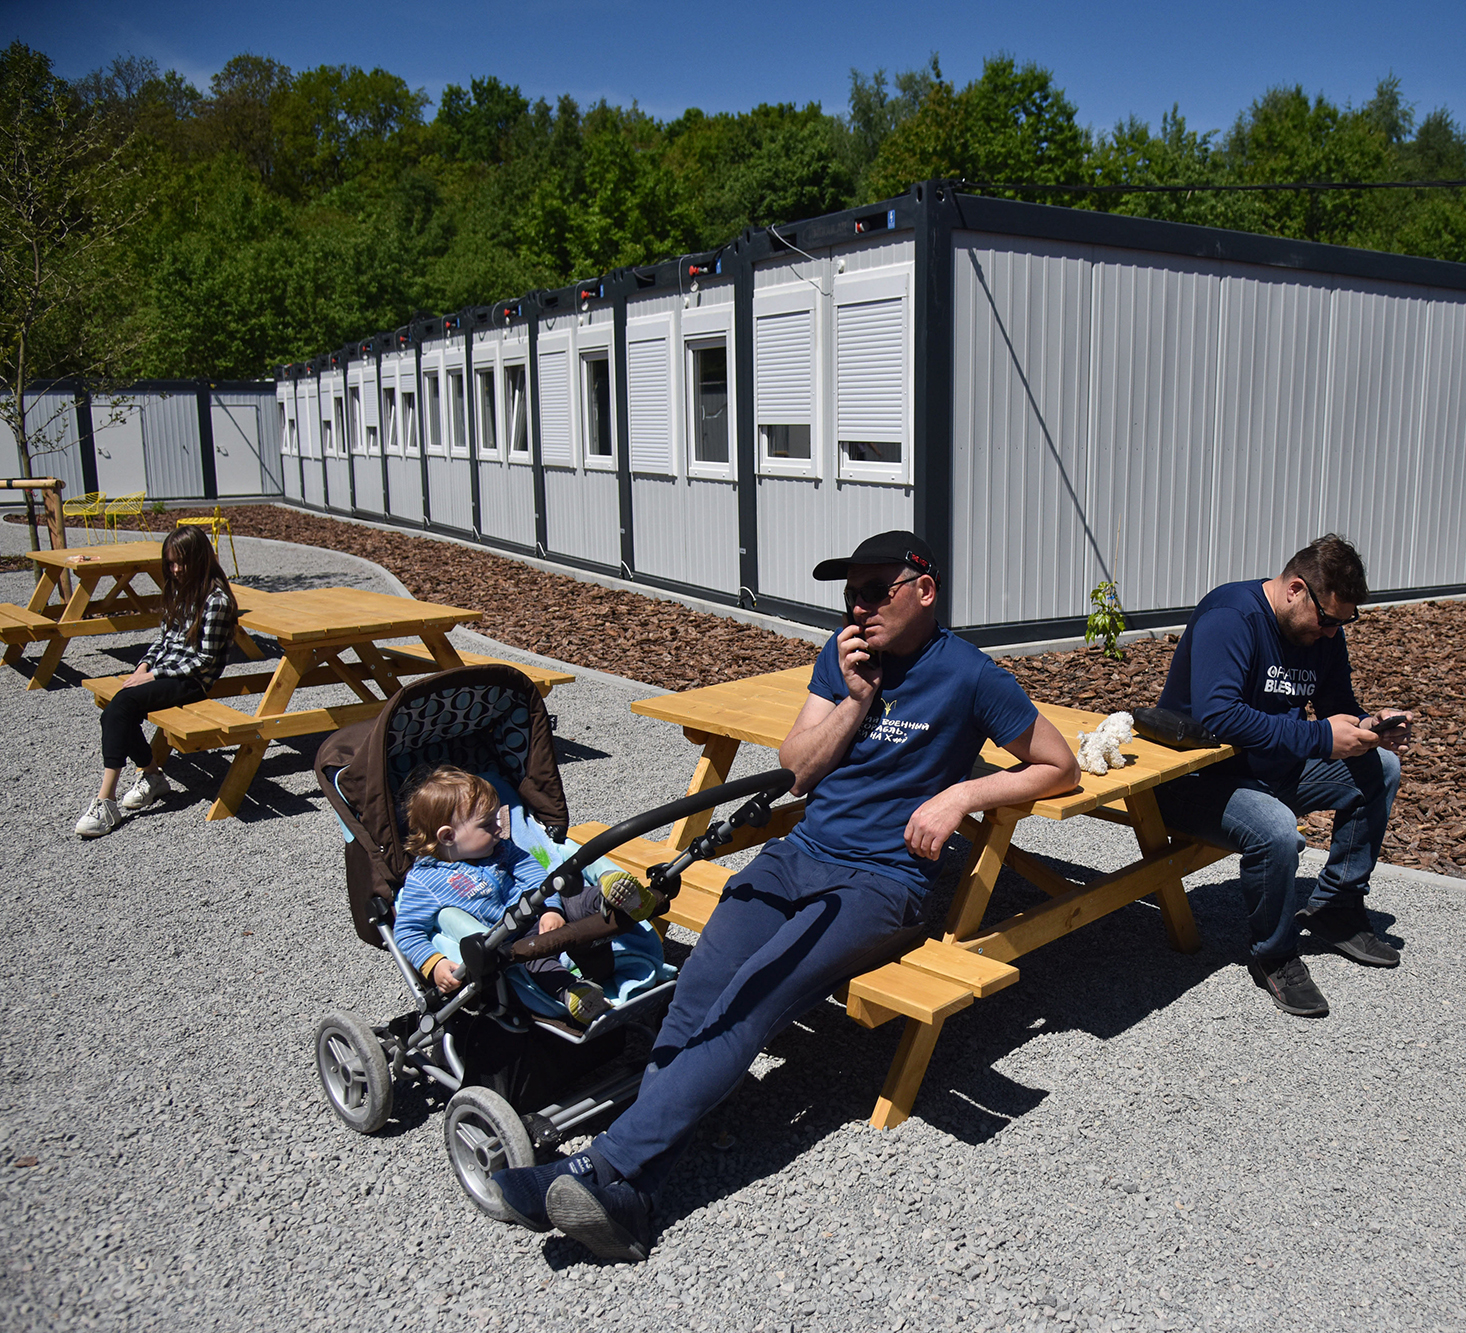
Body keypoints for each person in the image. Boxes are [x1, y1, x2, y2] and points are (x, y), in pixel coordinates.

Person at [493, 530, 1079, 1262]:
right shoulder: (843, 657)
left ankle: (598, 1166)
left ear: (924, 590)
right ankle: (634, 1192)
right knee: (697, 990)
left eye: (875, 591)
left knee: (749, 1002)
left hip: (882, 883)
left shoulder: (969, 675)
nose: (859, 608)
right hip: (797, 857)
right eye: (850, 595)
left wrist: (962, 793)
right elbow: (798, 768)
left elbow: (1060, 764)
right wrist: (856, 696)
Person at [1151, 534, 1411, 1019]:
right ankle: (1274, 954)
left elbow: (1335, 709)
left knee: (1382, 768)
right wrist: (1319, 738)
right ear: (1295, 590)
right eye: (1329, 619)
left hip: (1268, 769)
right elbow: (1220, 717)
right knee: (1275, 829)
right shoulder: (1232, 617)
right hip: (1195, 780)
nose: (1333, 633)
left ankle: (1336, 906)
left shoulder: (1321, 633)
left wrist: (1369, 726)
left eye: (1344, 622)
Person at [392, 765, 651, 1024]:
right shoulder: (425, 882)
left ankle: (620, 898)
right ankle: (575, 994)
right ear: (448, 836)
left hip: (544, 910)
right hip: (515, 942)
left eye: (497, 818)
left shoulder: (502, 848)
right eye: (487, 824)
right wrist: (433, 963)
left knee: (579, 897)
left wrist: (552, 908)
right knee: (538, 966)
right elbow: (406, 931)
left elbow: (539, 878)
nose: (499, 829)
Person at [76, 526, 239, 838]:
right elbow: (163, 640)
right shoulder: (179, 590)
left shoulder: (216, 600)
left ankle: (107, 799)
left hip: (192, 681)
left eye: (182, 563)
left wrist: (153, 675)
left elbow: (204, 661)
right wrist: (143, 666)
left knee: (121, 706)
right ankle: (150, 776)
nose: (176, 570)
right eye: (171, 564)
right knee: (117, 709)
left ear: (201, 560)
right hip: (164, 671)